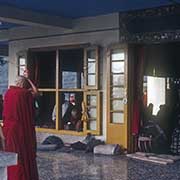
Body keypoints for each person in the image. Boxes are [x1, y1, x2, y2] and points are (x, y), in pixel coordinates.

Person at [2, 75, 39, 180]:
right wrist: (29, 79)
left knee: (12, 154)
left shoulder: (8, 93)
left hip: (8, 129)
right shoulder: (24, 94)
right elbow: (36, 93)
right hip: (20, 130)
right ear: (22, 84)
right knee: (22, 154)